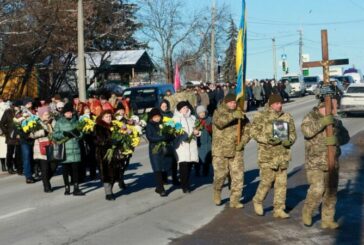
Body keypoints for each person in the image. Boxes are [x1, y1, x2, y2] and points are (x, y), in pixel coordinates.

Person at [301, 101, 350, 229]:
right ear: (322, 107)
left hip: (332, 162)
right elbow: (307, 132)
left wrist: (337, 140)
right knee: (317, 189)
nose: (334, 110)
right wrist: (323, 122)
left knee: (331, 192)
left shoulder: (336, 122)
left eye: (334, 108)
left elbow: (346, 137)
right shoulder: (311, 117)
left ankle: (327, 220)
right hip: (315, 162)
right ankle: (307, 211)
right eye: (332, 107)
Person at [250, 94, 296, 218]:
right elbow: (253, 132)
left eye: (281, 103)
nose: (280, 105)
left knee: (281, 184)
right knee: (266, 181)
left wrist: (289, 140)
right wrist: (267, 139)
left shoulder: (286, 116)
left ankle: (279, 209)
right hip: (267, 156)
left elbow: (292, 133)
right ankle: (258, 201)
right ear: (271, 104)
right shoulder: (261, 116)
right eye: (277, 103)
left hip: (282, 155)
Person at [212, 94, 249, 209]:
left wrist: (243, 142)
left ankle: (235, 200)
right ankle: (217, 191)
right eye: (231, 102)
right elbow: (220, 123)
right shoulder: (218, 112)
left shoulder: (240, 114)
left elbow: (248, 129)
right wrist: (233, 115)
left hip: (236, 150)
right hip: (220, 151)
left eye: (235, 102)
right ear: (226, 102)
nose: (233, 104)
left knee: (238, 176)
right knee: (220, 175)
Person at [53, 103, 84, 196]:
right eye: (67, 112)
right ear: (64, 113)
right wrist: (64, 134)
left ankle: (76, 187)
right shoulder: (59, 122)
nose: (69, 114)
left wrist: (78, 134)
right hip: (64, 150)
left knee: (75, 170)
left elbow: (82, 134)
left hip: (75, 149)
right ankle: (67, 187)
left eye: (70, 112)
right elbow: (55, 135)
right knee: (65, 170)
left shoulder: (76, 121)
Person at [94, 110, 122, 200]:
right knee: (106, 173)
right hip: (103, 153)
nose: (109, 118)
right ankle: (108, 193)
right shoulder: (98, 127)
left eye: (110, 116)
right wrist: (110, 142)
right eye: (106, 117)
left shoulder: (114, 125)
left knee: (114, 172)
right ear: (102, 118)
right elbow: (98, 140)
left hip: (114, 153)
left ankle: (111, 190)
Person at [173, 101, 200, 193]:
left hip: (192, 145)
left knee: (189, 166)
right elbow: (173, 131)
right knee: (183, 166)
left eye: (187, 107)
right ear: (179, 109)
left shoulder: (192, 118)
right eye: (184, 108)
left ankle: (186, 182)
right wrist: (177, 133)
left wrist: (198, 132)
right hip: (182, 146)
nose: (186, 109)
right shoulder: (176, 119)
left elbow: (198, 129)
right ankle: (185, 186)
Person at [145, 108, 172, 196]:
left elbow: (169, 134)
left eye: (158, 117)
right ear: (151, 118)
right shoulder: (149, 125)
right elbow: (150, 137)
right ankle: (161, 189)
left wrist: (169, 136)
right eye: (155, 117)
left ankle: (159, 186)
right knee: (157, 169)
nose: (157, 119)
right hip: (155, 149)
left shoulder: (163, 124)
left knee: (165, 166)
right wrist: (162, 138)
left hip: (164, 149)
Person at [29, 106, 56, 193]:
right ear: (41, 115)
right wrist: (42, 132)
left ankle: (45, 179)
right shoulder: (36, 123)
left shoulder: (52, 121)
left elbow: (57, 131)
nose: (47, 116)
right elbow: (32, 135)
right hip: (41, 148)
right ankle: (47, 186)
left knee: (53, 166)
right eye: (45, 114)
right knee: (45, 168)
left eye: (48, 114)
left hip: (52, 146)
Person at [159, 100, 179, 185]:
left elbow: (176, 123)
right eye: (163, 106)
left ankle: (175, 178)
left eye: (166, 106)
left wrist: (176, 129)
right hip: (162, 140)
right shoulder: (158, 115)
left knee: (174, 160)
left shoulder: (171, 114)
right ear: (160, 106)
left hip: (172, 139)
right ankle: (164, 178)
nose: (164, 107)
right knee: (163, 160)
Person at [0, 100, 22, 175]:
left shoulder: (21, 112)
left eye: (19, 106)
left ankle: (19, 168)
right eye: (16, 106)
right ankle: (9, 167)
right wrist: (6, 132)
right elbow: (2, 123)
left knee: (18, 153)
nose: (18, 107)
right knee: (10, 152)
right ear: (13, 106)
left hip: (19, 135)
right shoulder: (8, 112)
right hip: (10, 136)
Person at [195, 105, 212, 176]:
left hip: (208, 141)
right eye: (200, 113)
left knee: (207, 158)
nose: (202, 114)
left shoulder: (210, 119)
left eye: (203, 112)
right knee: (199, 158)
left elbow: (213, 129)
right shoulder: (196, 121)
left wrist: (209, 128)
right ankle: (197, 171)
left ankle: (206, 171)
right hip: (200, 142)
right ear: (197, 114)